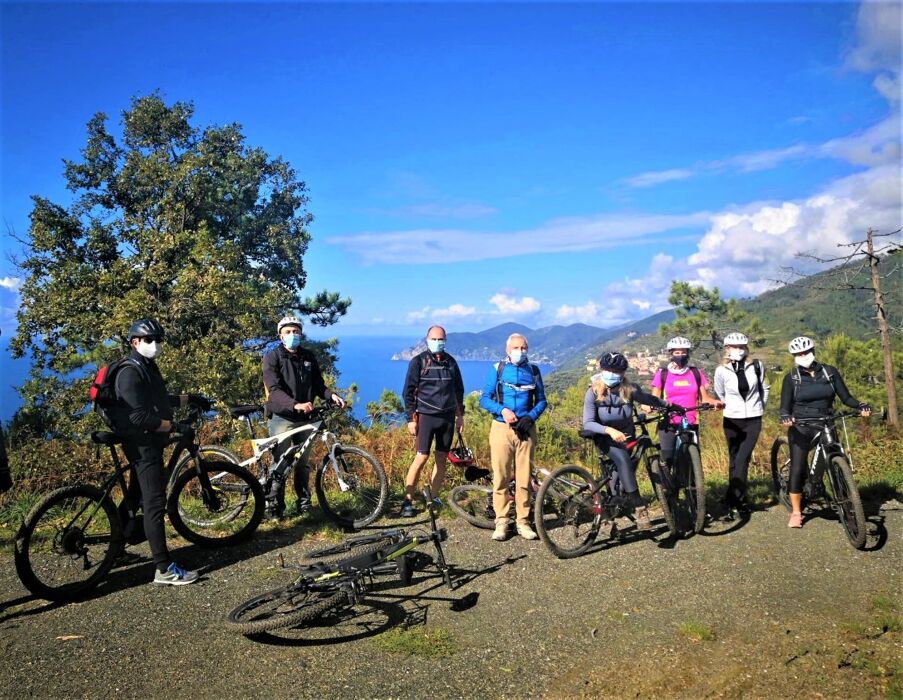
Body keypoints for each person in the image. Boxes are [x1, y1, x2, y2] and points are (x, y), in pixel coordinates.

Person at [109, 318, 203, 585]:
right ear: (135, 342)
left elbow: (159, 399)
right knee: (153, 502)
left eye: (158, 339)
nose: (155, 345)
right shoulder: (130, 372)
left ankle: (115, 549)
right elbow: (139, 417)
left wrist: (190, 399)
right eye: (149, 340)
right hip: (141, 444)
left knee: (135, 495)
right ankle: (164, 568)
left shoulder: (146, 366)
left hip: (149, 440)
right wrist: (174, 426)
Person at [779, 336, 870, 529]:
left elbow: (846, 398)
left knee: (836, 457)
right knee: (797, 468)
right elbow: (784, 407)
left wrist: (860, 405)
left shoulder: (829, 372)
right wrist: (786, 417)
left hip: (827, 421)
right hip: (801, 425)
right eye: (798, 353)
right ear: (794, 356)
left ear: (813, 351)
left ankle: (845, 499)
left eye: (806, 352)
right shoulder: (792, 378)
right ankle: (796, 511)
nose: (803, 356)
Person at [262, 315, 345, 519]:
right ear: (280, 336)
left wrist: (331, 395)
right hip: (283, 418)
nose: (292, 335)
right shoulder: (272, 357)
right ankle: (275, 508)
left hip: (306, 419)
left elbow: (318, 384)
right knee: (279, 463)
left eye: (296, 331)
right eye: (288, 332)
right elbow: (273, 390)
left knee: (303, 464)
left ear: (301, 333)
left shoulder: (308, 357)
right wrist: (295, 405)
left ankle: (304, 504)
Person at [582, 351, 674, 532]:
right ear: (602, 370)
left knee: (618, 476)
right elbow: (588, 422)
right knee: (623, 459)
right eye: (608, 369)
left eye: (616, 371)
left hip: (627, 437)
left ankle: (611, 510)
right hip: (604, 438)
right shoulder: (592, 392)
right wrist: (609, 430)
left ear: (623, 373)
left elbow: (648, 399)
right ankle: (640, 508)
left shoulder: (629, 389)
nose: (612, 374)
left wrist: (668, 405)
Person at [479, 333, 547, 541]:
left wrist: (531, 416)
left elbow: (542, 400)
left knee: (524, 478)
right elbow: (484, 399)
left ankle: (523, 522)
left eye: (524, 347)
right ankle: (501, 522)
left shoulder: (534, 371)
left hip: (526, 430)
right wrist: (503, 411)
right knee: (501, 476)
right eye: (516, 348)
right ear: (508, 350)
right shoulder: (497, 369)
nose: (520, 351)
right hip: (501, 429)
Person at [400, 325, 465, 517]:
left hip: (447, 418)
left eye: (441, 339)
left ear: (445, 340)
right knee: (421, 458)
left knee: (441, 460)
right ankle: (408, 500)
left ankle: (434, 498)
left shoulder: (451, 362)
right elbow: (408, 392)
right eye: (434, 339)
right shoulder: (418, 362)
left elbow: (459, 390)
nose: (438, 342)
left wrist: (460, 416)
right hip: (426, 417)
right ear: (427, 339)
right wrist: (410, 419)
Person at [712, 331, 770, 519]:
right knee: (733, 459)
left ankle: (737, 501)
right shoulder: (721, 370)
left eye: (741, 347)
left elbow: (764, 388)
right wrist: (731, 407)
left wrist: (760, 407)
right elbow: (719, 392)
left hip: (753, 419)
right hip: (731, 419)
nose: (738, 350)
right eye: (734, 347)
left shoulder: (757, 366)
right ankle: (733, 499)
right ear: (727, 349)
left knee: (742, 459)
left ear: (746, 348)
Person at [651, 336, 722, 470]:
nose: (680, 355)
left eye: (683, 352)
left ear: (688, 353)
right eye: (677, 352)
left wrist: (715, 402)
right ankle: (667, 487)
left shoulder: (696, 373)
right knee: (668, 458)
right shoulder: (663, 374)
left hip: (690, 421)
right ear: (671, 353)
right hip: (668, 421)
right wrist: (648, 405)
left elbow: (705, 398)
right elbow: (654, 398)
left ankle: (693, 488)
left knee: (691, 460)